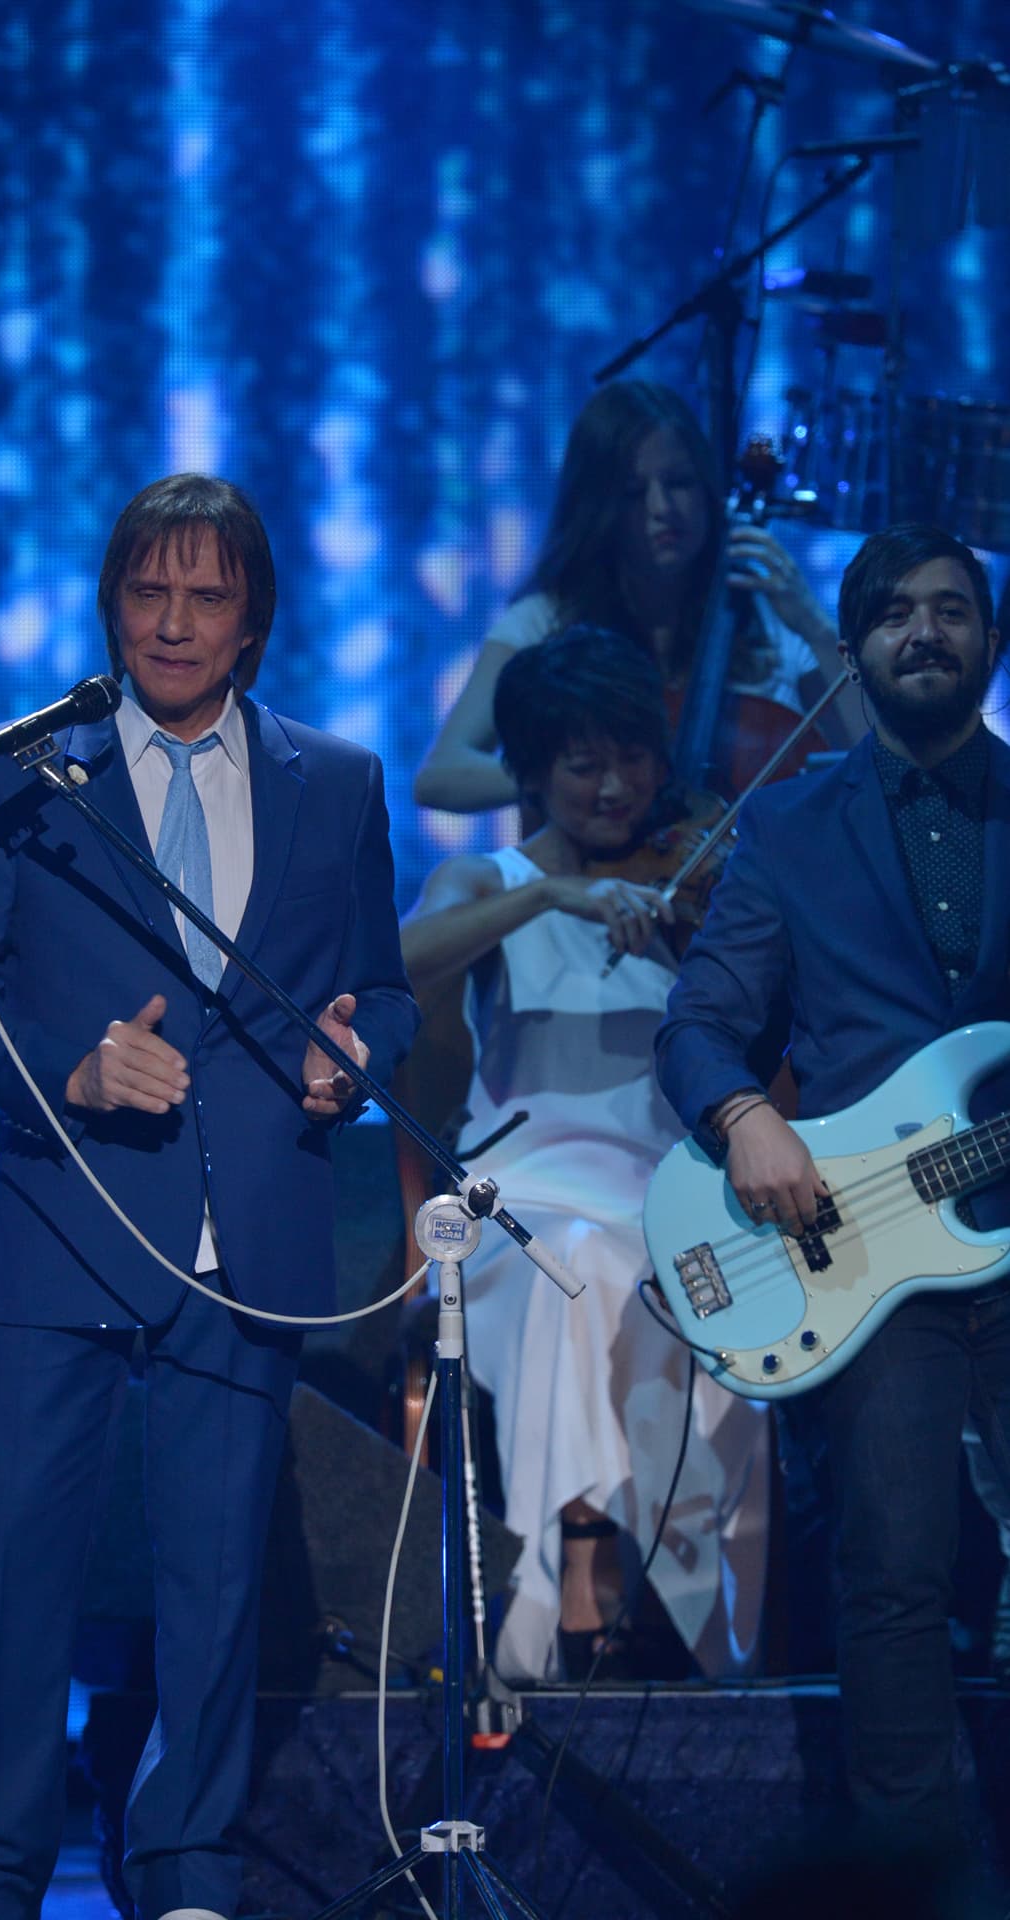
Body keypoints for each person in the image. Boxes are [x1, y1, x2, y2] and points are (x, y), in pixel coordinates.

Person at [0, 474, 419, 1920]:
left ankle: (185, 1855)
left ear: (253, 622)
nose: (173, 624)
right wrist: (69, 1069)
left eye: (206, 597)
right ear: (111, 603)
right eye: (148, 592)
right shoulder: (24, 774)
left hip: (247, 1229)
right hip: (68, 1217)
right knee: (15, 1566)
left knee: (214, 1571)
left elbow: (381, 986)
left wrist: (356, 1053)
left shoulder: (339, 781)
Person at [655, 523, 1010, 1855]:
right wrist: (745, 1116)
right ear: (852, 647)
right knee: (896, 1577)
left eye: (952, 609)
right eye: (896, 613)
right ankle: (913, 1878)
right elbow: (696, 1026)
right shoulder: (791, 825)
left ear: (988, 641)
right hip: (867, 1255)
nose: (926, 630)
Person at [400, 628, 769, 1683]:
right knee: (574, 1264)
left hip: (669, 1199)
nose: (616, 788)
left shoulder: (691, 886)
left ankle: (660, 1602)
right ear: (530, 771)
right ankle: (587, 1570)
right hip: (517, 1196)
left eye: (634, 760)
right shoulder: (487, 879)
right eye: (581, 763)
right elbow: (395, 966)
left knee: (646, 1272)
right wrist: (548, 896)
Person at [413, 379, 856, 814]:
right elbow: (440, 776)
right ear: (596, 506)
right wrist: (576, 775)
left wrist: (817, 629)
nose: (663, 508)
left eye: (680, 482)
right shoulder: (544, 624)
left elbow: (872, 750)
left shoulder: (768, 624)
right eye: (633, 492)